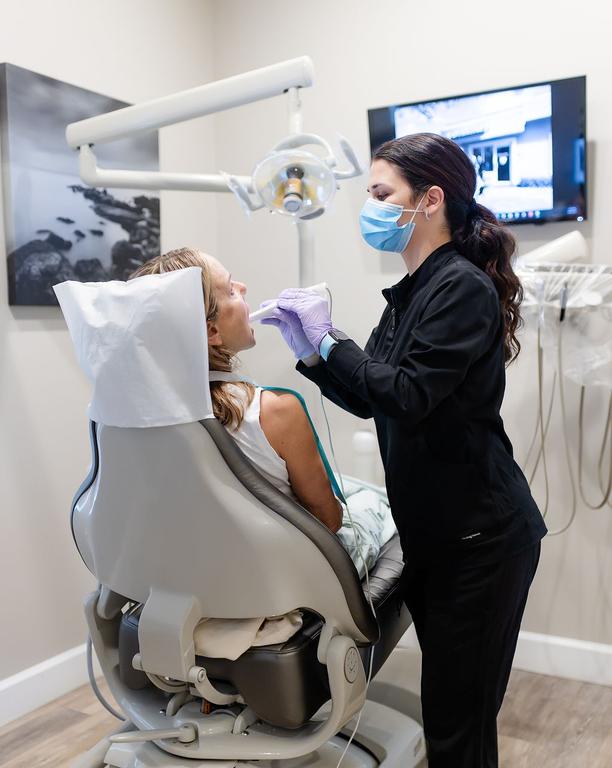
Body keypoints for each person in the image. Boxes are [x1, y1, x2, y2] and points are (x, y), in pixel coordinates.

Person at [263, 132, 547, 768]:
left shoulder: (462, 288)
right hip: (436, 536)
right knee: (449, 712)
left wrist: (331, 343)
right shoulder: (413, 288)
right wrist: (314, 352)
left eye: (380, 192)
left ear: (430, 199)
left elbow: (412, 392)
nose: (370, 205)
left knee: (458, 723)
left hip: (481, 540)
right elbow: (375, 398)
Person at [130, 248, 395, 577]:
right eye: (230, 290)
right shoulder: (275, 410)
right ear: (211, 332)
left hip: (187, 574)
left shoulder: (132, 416)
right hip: (274, 580)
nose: (242, 288)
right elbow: (328, 520)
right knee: (379, 505)